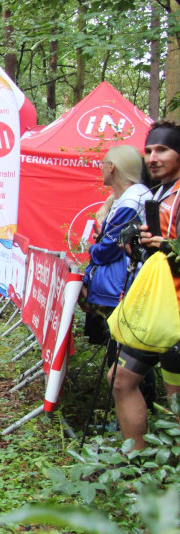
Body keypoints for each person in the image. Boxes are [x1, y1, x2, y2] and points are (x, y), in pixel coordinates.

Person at [110, 121, 180, 450]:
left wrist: (168, 247)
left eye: (162, 149)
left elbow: (170, 245)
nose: (152, 157)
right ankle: (135, 468)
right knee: (121, 381)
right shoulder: (161, 192)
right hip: (153, 311)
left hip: (177, 315)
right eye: (149, 150)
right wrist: (136, 239)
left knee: (176, 404)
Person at [81, 145, 150, 313]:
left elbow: (107, 250)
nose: (101, 168)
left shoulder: (131, 203)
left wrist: (94, 248)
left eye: (102, 164)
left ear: (111, 167)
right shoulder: (126, 199)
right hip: (118, 287)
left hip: (122, 291)